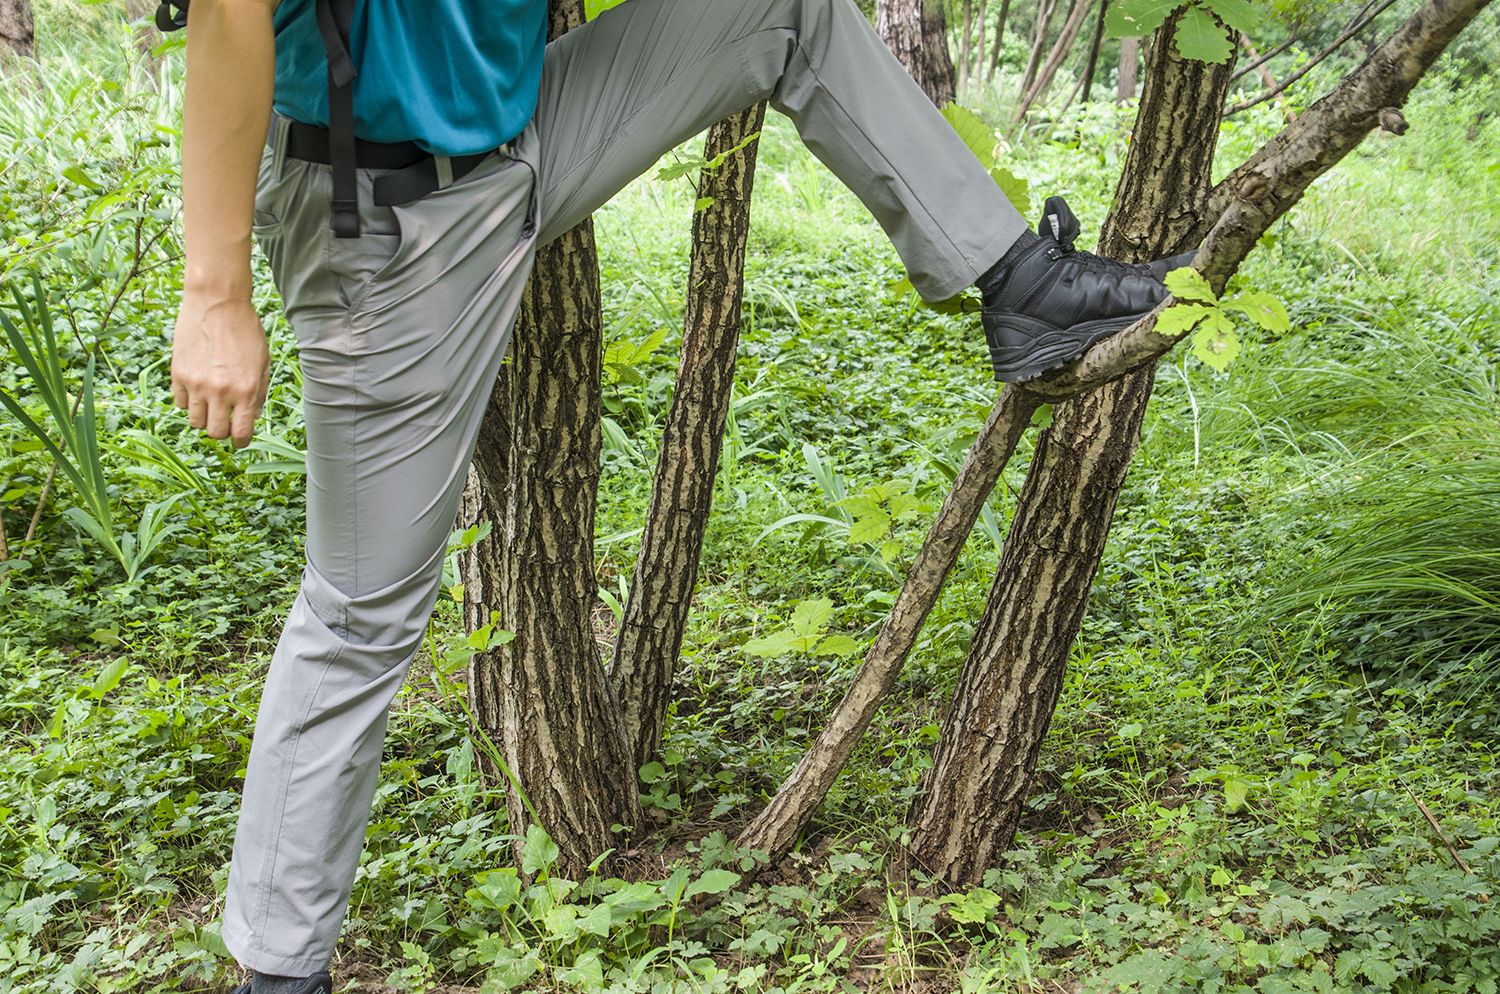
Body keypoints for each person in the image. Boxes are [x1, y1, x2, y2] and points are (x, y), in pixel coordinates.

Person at [168, 0, 1183, 990]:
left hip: (525, 143)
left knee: (780, 9)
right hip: (383, 222)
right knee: (359, 616)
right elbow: (228, 12)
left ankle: (1021, 284)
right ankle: (280, 969)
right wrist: (214, 295)